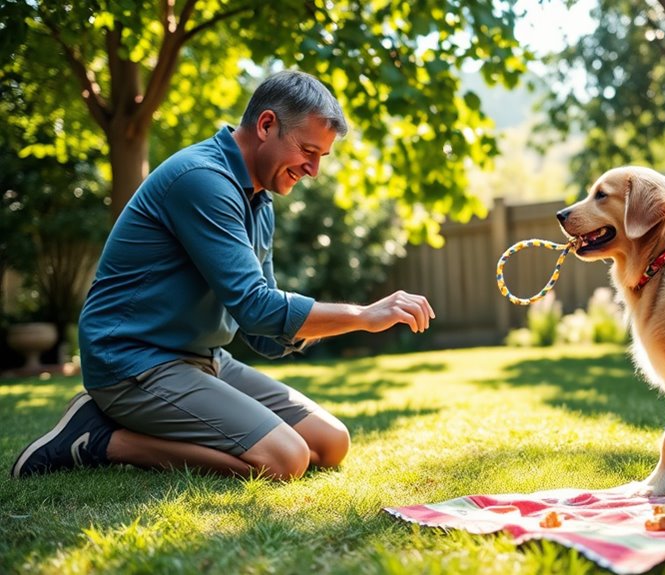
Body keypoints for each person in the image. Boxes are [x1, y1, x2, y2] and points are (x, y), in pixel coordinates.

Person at [11, 70, 434, 481]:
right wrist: (362, 316)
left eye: (321, 157)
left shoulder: (259, 200)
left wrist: (321, 324)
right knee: (285, 460)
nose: (313, 170)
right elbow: (255, 308)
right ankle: (100, 438)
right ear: (267, 124)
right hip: (131, 361)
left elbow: (263, 332)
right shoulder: (202, 180)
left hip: (204, 359)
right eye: (308, 151)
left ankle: (135, 425)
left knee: (331, 442)